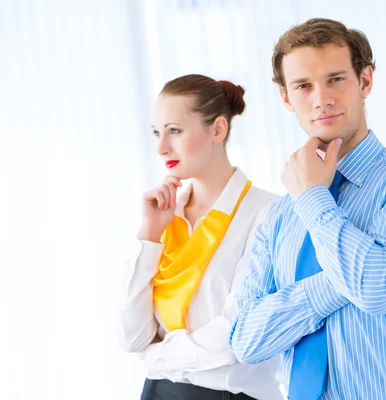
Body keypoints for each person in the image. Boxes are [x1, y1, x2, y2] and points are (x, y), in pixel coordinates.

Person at [230, 18, 386, 400]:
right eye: (303, 86)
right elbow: (247, 341)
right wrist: (344, 279)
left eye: (336, 79)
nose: (321, 99)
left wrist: (314, 200)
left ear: (364, 81)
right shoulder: (282, 214)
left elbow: (379, 291)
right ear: (287, 98)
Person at [117, 74, 281, 400]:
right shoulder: (166, 215)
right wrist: (149, 235)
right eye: (156, 133)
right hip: (158, 392)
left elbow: (234, 339)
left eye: (174, 131)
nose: (161, 147)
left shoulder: (267, 214)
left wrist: (155, 358)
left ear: (218, 130)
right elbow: (131, 338)